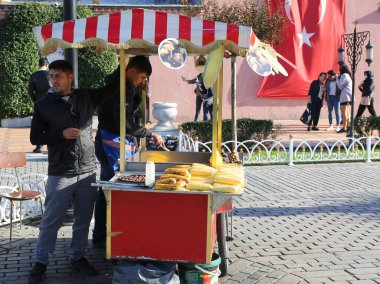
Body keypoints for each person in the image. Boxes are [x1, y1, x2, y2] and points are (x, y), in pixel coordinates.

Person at [28, 60, 113, 284]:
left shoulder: (85, 97)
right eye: (52, 76)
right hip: (61, 171)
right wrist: (60, 135)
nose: (53, 80)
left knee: (83, 220)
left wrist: (126, 71)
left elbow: (110, 87)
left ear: (70, 77)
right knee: (51, 220)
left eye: (58, 76)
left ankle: (78, 257)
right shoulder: (44, 104)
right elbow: (35, 138)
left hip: (87, 170)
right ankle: (40, 262)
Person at [92, 56, 164, 248]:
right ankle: (103, 237)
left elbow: (136, 116)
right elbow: (126, 123)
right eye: (141, 77)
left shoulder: (129, 86)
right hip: (110, 142)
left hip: (120, 141)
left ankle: (105, 235)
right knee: (109, 189)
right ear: (131, 71)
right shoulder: (118, 88)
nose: (142, 81)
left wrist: (143, 96)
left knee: (108, 189)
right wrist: (149, 133)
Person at [28, 57, 50, 153]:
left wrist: (35, 100)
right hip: (51, 102)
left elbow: (30, 91)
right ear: (47, 65)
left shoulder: (33, 75)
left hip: (39, 103)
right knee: (51, 124)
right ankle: (51, 146)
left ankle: (39, 147)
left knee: (39, 125)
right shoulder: (51, 74)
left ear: (39, 64)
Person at [182, 56, 213, 121]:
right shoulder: (200, 75)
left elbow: (209, 88)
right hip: (200, 95)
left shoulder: (209, 75)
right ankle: (195, 122)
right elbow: (195, 80)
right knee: (198, 111)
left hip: (207, 97)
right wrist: (187, 81)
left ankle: (209, 124)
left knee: (208, 112)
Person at [336, 64, 352, 133]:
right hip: (349, 97)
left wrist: (337, 78)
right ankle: (348, 127)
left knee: (344, 112)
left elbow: (339, 85)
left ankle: (344, 128)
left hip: (345, 97)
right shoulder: (348, 76)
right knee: (348, 113)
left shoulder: (344, 75)